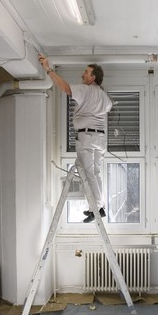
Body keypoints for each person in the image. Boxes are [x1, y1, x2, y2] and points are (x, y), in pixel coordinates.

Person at [38, 54, 113, 223]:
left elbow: (65, 88)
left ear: (93, 77)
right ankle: (98, 207)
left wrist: (48, 69)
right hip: (100, 138)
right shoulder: (104, 96)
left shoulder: (86, 90)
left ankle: (96, 208)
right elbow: (107, 108)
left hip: (87, 137)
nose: (82, 74)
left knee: (88, 174)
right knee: (96, 173)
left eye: (86, 72)